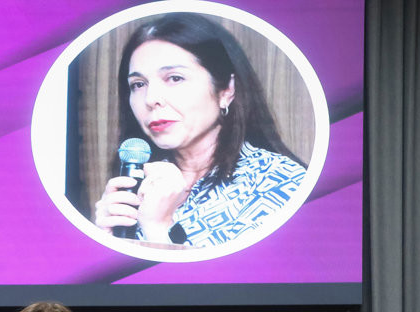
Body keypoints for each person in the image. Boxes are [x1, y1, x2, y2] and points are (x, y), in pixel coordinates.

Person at [94, 12, 307, 248]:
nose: (151, 99)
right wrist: (104, 242)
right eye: (138, 84)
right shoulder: (138, 181)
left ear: (226, 91)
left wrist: (158, 229)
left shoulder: (281, 181)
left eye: (175, 78)